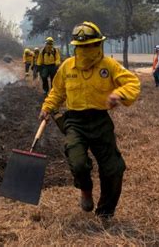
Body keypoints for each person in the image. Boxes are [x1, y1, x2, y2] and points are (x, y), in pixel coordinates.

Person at [38, 21, 141, 219]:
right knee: (78, 163)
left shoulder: (108, 65)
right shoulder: (67, 67)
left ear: (98, 44)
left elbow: (132, 82)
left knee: (114, 168)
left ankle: (105, 213)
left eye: (91, 45)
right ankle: (85, 190)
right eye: (83, 47)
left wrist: (118, 94)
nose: (88, 50)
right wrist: (47, 108)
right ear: (77, 47)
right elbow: (57, 91)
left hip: (100, 121)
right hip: (75, 122)